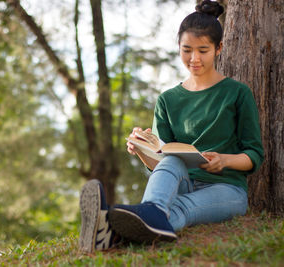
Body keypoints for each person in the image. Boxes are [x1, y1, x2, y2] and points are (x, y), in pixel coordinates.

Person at [78, 0, 264, 253]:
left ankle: (112, 230)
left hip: (226, 189)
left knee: (180, 208)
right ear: (178, 47)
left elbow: (254, 154)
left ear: (219, 48)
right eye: (187, 50)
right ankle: (146, 214)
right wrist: (143, 149)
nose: (194, 58)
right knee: (171, 163)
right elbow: (161, 162)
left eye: (203, 50)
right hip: (182, 182)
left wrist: (224, 160)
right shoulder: (168, 99)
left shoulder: (237, 93)